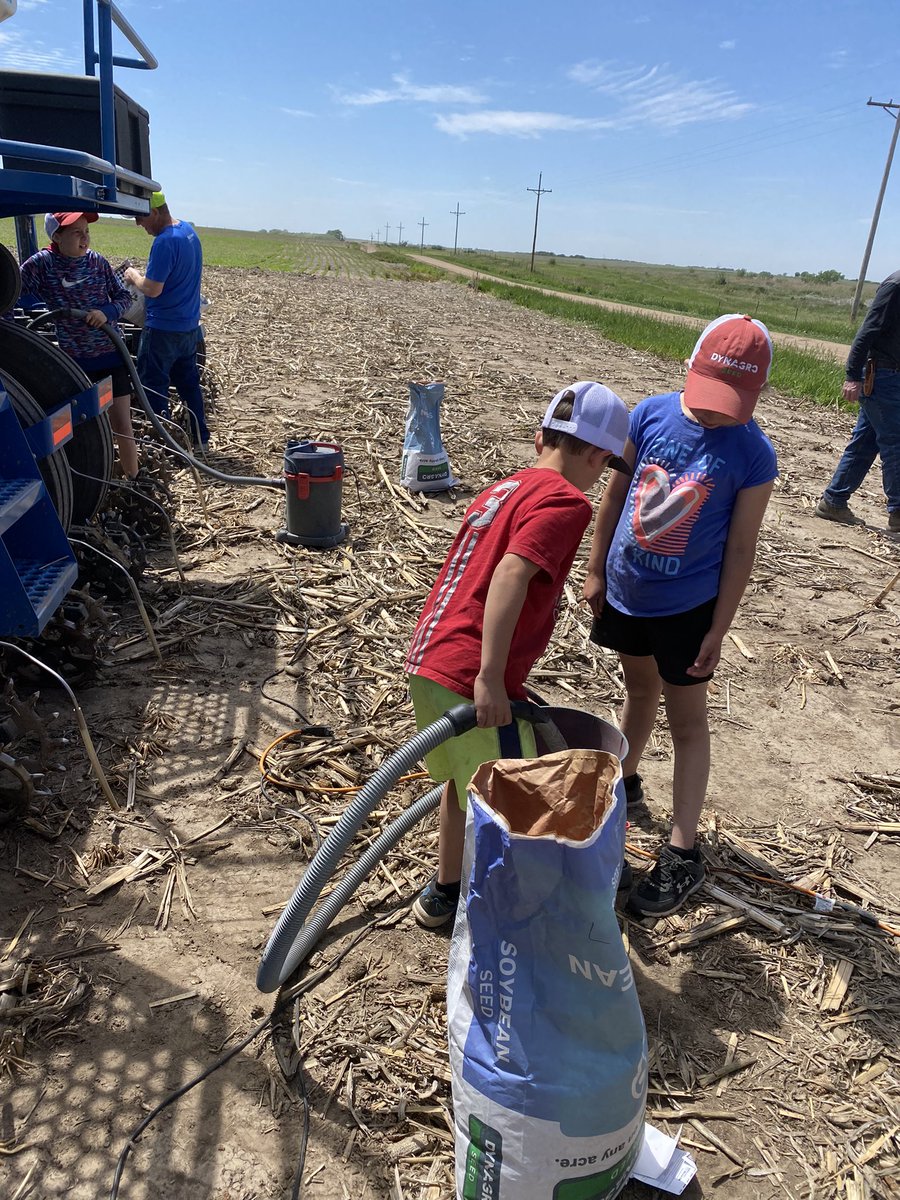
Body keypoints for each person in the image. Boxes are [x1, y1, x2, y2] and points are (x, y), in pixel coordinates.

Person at [404, 381, 631, 928]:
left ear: (540, 439)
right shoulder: (566, 502)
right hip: (469, 673)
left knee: (464, 784)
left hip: (431, 658)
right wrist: (488, 678)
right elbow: (510, 573)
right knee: (512, 791)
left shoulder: (504, 488)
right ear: (600, 456)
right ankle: (506, 905)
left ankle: (446, 889)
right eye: (605, 467)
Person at [584, 314, 778, 918]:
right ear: (689, 371)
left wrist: (718, 628)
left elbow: (740, 549)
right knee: (636, 691)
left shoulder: (753, 456)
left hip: (687, 610)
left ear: (757, 394)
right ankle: (626, 780)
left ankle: (683, 850)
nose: (717, 414)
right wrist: (595, 569)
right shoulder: (649, 416)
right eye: (709, 398)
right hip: (626, 591)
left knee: (687, 720)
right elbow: (614, 495)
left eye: (732, 404)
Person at [19, 212, 140, 479]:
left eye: (86, 231)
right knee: (83, 432)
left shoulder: (97, 262)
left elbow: (123, 297)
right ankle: (94, 482)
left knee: (122, 423)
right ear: (57, 237)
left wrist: (106, 312)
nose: (85, 237)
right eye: (76, 232)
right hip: (75, 365)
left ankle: (134, 480)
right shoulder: (43, 264)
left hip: (111, 356)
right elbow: (12, 290)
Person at [816, 269, 900, 532]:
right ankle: (898, 512)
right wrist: (852, 375)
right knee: (895, 443)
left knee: (865, 443)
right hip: (881, 376)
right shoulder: (896, 286)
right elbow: (868, 329)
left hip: (890, 377)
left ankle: (834, 501)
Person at [124, 191, 209, 450]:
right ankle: (200, 439)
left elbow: (152, 289)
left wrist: (133, 276)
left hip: (163, 329)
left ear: (156, 211)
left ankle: (165, 445)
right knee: (189, 384)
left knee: (153, 387)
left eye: (140, 217)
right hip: (189, 327)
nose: (139, 224)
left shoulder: (164, 242)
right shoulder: (188, 232)